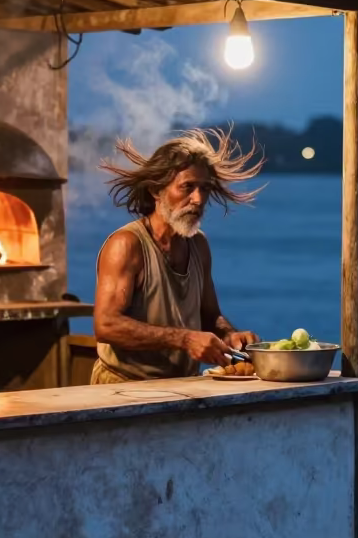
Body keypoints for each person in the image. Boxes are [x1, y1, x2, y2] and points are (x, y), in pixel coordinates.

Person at [91, 128, 263, 384]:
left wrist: (230, 335)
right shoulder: (127, 245)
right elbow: (106, 325)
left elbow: (210, 315)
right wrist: (185, 339)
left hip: (181, 385)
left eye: (205, 189)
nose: (198, 199)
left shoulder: (199, 245)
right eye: (187, 187)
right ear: (155, 190)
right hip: (121, 386)